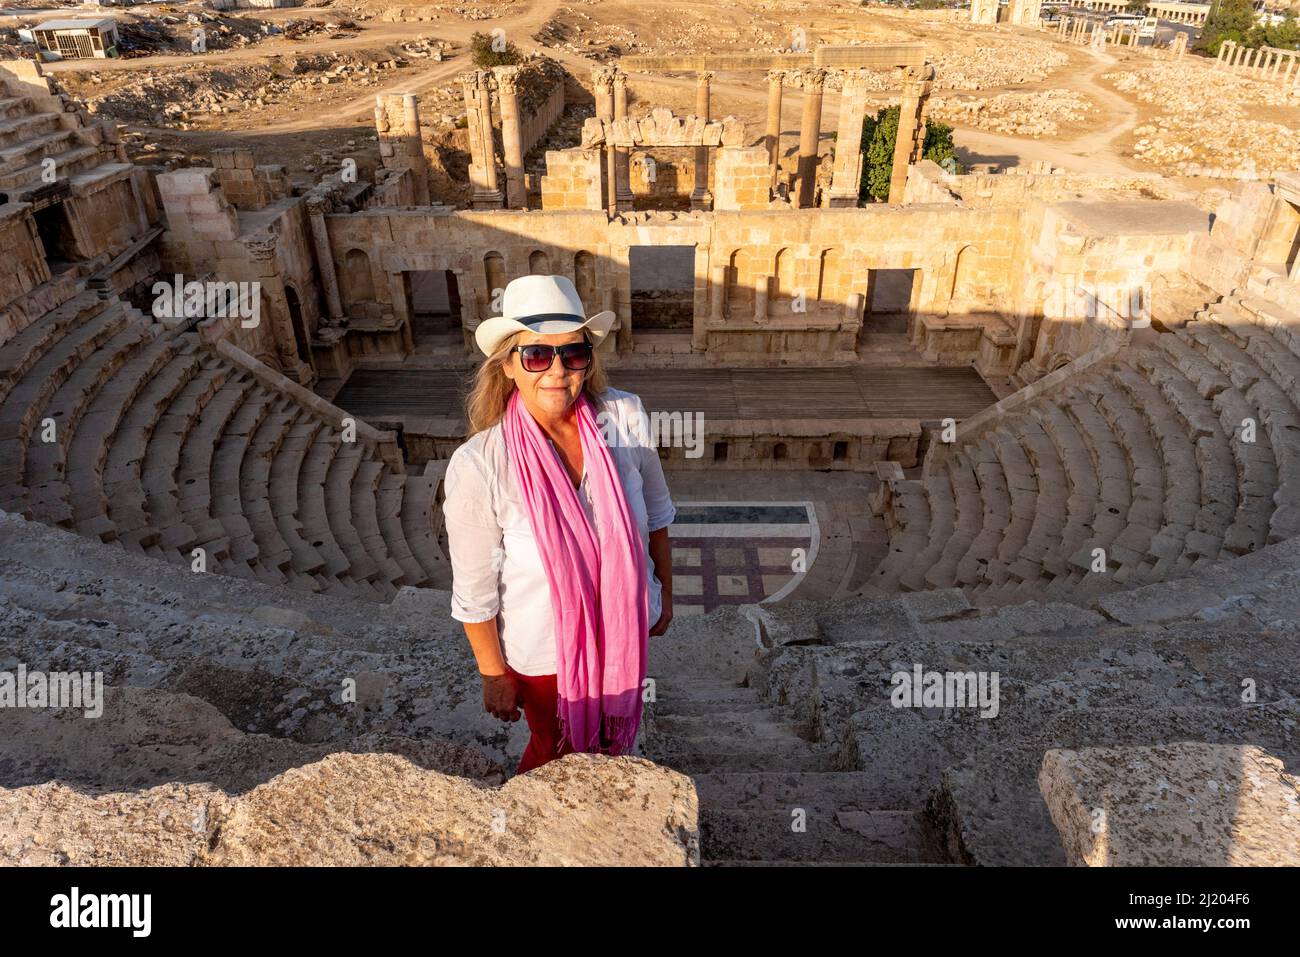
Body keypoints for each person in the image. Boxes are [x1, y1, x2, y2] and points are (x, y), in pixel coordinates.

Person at [442, 274, 676, 775]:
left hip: (624, 629)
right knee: (555, 750)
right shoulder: (480, 464)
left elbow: (656, 516)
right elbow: (475, 590)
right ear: (507, 365)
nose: (557, 370)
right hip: (546, 653)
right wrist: (492, 674)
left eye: (572, 353)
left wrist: (664, 596)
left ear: (588, 360)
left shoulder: (624, 415)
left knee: (607, 744)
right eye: (536, 356)